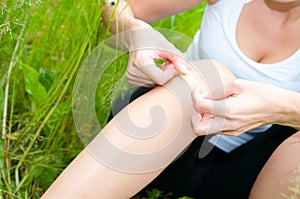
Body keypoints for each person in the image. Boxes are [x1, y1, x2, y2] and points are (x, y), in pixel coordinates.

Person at [42, 0, 300, 198]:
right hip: (163, 137)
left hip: (258, 173)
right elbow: (116, 8)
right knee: (214, 76)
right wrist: (136, 33)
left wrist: (281, 108)